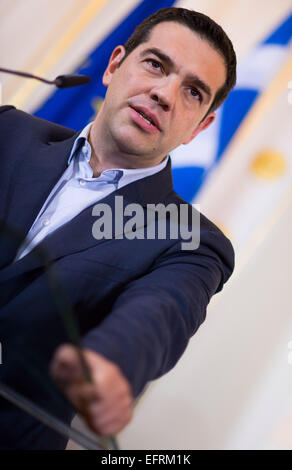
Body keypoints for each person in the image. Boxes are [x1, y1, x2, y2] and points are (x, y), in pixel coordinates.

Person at [0, 7, 236, 449]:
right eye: (156, 65)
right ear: (113, 66)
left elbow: (161, 313)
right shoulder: (7, 131)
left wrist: (112, 365)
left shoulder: (190, 241)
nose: (165, 94)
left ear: (199, 127)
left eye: (193, 92)